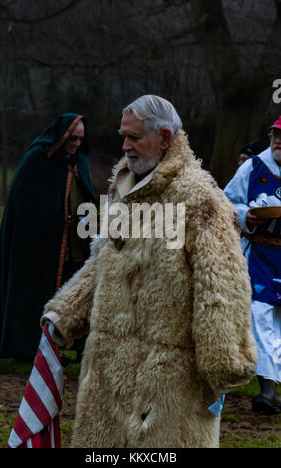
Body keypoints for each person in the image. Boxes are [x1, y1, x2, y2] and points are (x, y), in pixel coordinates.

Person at [41, 95, 257, 448]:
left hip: (168, 380)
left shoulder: (201, 200)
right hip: (108, 374)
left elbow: (222, 287)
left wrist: (224, 361)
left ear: (165, 138)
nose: (124, 146)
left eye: (134, 137)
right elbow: (103, 260)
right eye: (123, 136)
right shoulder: (123, 188)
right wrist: (63, 313)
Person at [0, 113, 96, 360]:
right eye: (72, 138)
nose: (76, 144)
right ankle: (28, 348)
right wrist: (57, 221)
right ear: (61, 135)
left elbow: (86, 199)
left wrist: (87, 222)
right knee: (35, 294)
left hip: (75, 246)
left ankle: (72, 348)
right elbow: (26, 209)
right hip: (39, 248)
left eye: (80, 139)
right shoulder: (37, 160)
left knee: (75, 297)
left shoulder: (81, 162)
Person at [224, 115, 281, 415]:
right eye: (275, 134)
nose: (278, 140)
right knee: (260, 318)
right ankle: (266, 391)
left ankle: (274, 388)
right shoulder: (253, 167)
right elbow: (225, 202)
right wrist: (245, 215)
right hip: (260, 254)